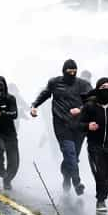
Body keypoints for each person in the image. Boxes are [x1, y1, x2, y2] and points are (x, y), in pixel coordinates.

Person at [31, 59, 93, 194]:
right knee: (69, 152)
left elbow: (93, 101)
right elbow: (45, 94)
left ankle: (66, 177)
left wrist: (81, 109)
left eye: (74, 72)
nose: (71, 74)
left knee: (73, 157)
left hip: (79, 124)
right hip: (61, 124)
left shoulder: (84, 85)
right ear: (63, 71)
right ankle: (77, 182)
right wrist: (34, 105)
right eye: (69, 72)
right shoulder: (54, 82)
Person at [79, 77, 108, 213]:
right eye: (103, 88)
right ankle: (101, 200)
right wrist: (87, 125)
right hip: (95, 146)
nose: (106, 90)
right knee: (101, 175)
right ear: (98, 90)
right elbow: (76, 125)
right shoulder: (90, 106)